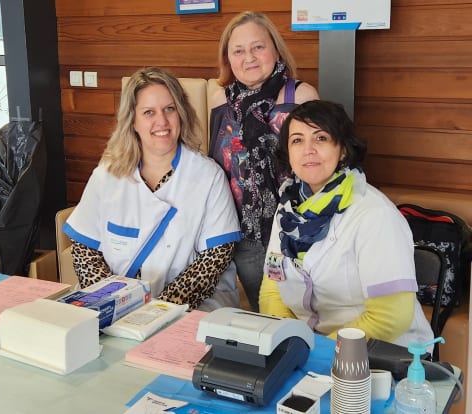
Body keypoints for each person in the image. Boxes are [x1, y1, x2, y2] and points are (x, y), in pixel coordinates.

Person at [63, 67, 242, 310]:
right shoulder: (107, 175)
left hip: (189, 309)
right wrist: (112, 304)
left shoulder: (209, 176)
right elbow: (84, 249)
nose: (162, 121)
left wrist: (158, 312)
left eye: (170, 109)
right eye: (149, 112)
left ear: (181, 113)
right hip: (117, 308)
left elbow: (216, 257)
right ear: (132, 121)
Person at [259, 100, 433, 347]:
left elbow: (391, 317)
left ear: (342, 150)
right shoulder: (289, 208)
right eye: (297, 140)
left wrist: (316, 350)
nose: (308, 149)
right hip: (311, 346)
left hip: (380, 352)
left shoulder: (374, 214)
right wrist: (287, 343)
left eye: (321, 138)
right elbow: (273, 287)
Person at [209, 11, 320, 311]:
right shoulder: (220, 101)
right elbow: (218, 166)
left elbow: (322, 164)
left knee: (305, 314)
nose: (249, 58)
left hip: (297, 233)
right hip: (245, 237)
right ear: (228, 58)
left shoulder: (300, 96)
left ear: (275, 49)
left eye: (258, 47)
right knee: (265, 316)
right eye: (238, 50)